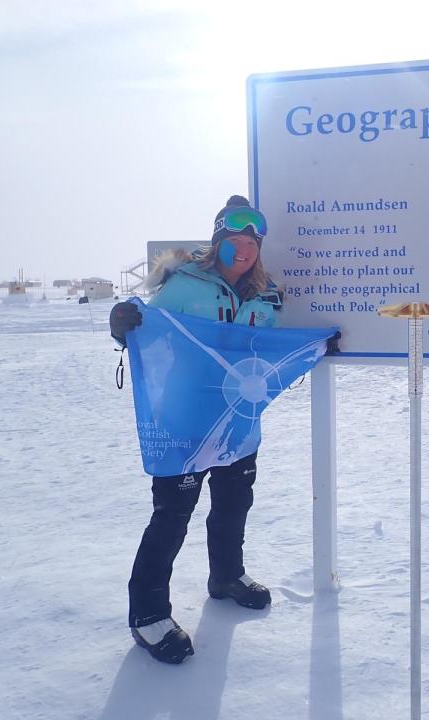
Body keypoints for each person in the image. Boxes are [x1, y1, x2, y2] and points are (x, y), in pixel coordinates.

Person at [109, 196, 286, 664]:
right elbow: (147, 329)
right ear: (218, 244)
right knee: (172, 515)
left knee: (234, 503)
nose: (244, 250)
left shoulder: (266, 296)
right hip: (185, 421)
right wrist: (122, 326)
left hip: (238, 421)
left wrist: (318, 343)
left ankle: (226, 575)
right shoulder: (186, 285)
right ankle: (148, 615)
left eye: (252, 243)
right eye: (234, 242)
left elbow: (270, 346)